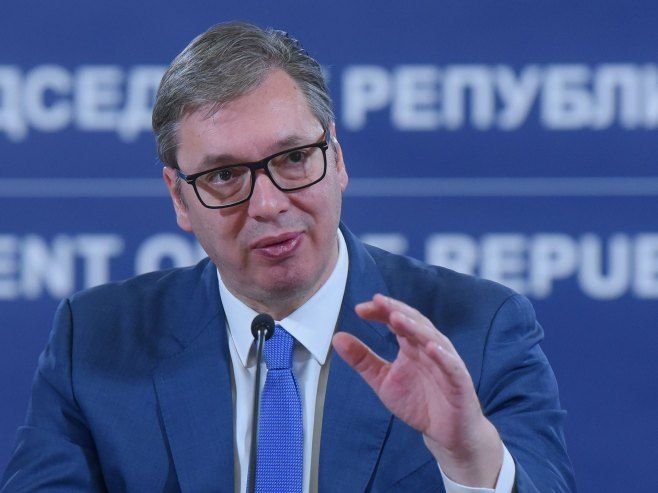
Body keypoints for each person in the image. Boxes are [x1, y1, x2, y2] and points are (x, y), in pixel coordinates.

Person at [1, 22, 575, 492]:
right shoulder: (97, 340)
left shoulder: (476, 330)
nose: (269, 204)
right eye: (224, 176)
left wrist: (471, 460)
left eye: (295, 158)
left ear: (337, 158)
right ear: (179, 197)